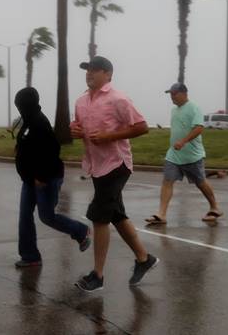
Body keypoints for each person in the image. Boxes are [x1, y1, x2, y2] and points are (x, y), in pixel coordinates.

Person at [70, 56, 159, 292]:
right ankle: (144, 259)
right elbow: (77, 126)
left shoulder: (118, 98)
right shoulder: (80, 101)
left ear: (108, 74)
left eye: (95, 70)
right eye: (87, 69)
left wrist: (110, 136)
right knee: (116, 215)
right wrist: (75, 130)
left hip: (116, 165)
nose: (89, 73)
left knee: (99, 216)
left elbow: (141, 126)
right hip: (95, 165)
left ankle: (97, 276)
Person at [13, 87, 90, 268]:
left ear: (28, 104)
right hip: (30, 179)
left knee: (47, 216)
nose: (19, 108)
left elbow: (52, 151)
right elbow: (25, 141)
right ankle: (30, 256)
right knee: (25, 216)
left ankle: (81, 231)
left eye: (21, 105)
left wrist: (41, 177)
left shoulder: (40, 122)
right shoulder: (28, 121)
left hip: (45, 179)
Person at [145, 83, 223, 226]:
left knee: (201, 182)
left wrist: (183, 141)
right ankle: (161, 214)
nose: (172, 97)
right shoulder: (174, 110)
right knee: (167, 181)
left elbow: (199, 128)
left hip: (192, 155)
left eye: (174, 94)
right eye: (170, 94)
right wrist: (177, 143)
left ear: (184, 93)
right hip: (174, 155)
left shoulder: (194, 108)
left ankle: (214, 207)